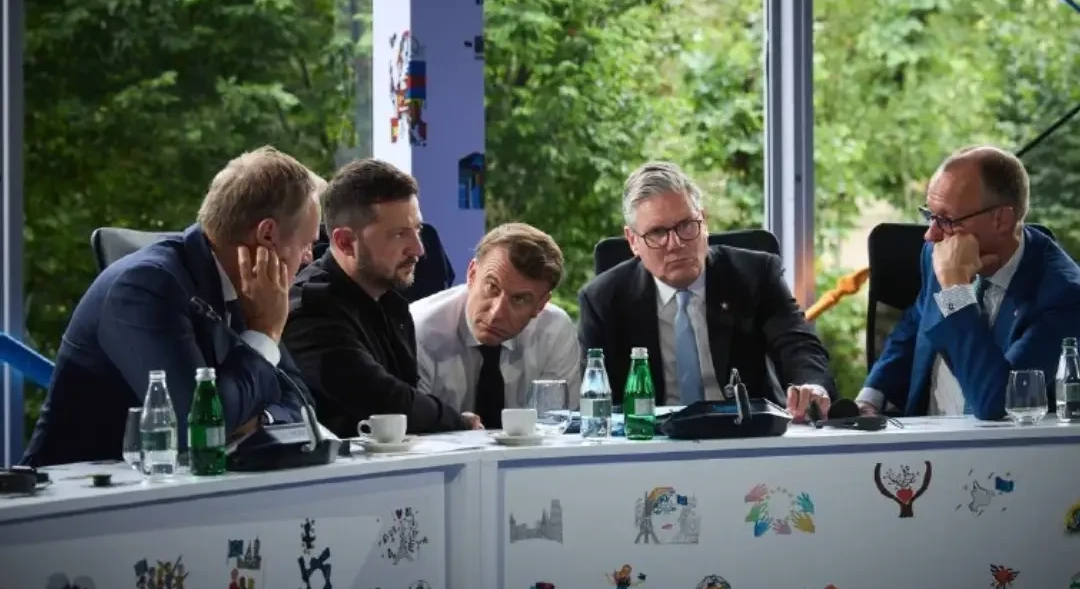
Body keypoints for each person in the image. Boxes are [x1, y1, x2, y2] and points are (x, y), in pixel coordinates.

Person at [22, 146, 321, 467]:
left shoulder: (250, 290)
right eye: (306, 244)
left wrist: (258, 421)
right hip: (79, 490)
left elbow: (301, 402)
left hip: (174, 484)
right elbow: (197, 429)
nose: (310, 258)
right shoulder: (145, 286)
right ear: (267, 235)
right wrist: (263, 332)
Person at [577, 162, 834, 420]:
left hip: (746, 430)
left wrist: (813, 386)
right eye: (657, 232)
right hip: (652, 436)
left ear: (704, 221)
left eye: (687, 225)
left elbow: (797, 345)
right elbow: (599, 402)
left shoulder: (755, 275)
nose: (675, 244)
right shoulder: (603, 299)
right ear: (633, 241)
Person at [858, 145, 1080, 419]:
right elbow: (915, 325)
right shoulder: (939, 251)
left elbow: (997, 402)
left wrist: (955, 289)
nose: (931, 235)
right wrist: (871, 397)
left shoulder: (1064, 297)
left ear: (1001, 219)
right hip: (920, 435)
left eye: (946, 220)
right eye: (930, 216)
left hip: (996, 444)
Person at [283, 159, 481, 437]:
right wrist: (457, 421)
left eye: (417, 230)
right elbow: (385, 402)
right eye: (399, 234)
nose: (418, 249)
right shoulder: (310, 311)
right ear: (345, 242)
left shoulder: (390, 300)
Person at [411, 223, 581, 428]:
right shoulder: (418, 328)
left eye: (519, 299)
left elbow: (555, 429)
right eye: (492, 287)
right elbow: (410, 430)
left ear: (540, 305)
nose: (496, 313)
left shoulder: (554, 331)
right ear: (472, 274)